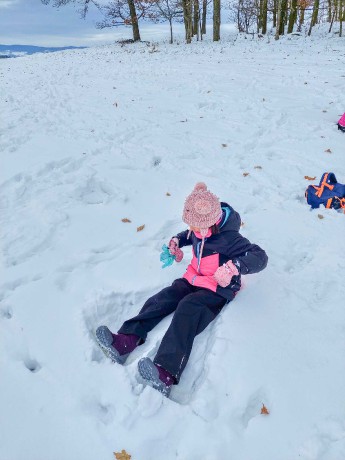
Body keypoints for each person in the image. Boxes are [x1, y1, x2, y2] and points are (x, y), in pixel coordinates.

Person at [96, 182, 268, 397]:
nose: (192, 231)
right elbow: (188, 235)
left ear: (211, 223)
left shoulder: (230, 239)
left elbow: (260, 257)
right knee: (165, 297)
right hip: (193, 278)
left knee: (188, 308)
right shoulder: (199, 227)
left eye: (196, 228)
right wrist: (176, 241)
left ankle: (165, 372)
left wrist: (234, 267)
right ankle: (125, 340)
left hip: (217, 289)